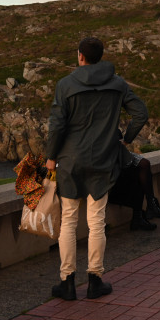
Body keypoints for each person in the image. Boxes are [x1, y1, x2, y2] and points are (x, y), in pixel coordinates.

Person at [45, 37, 148, 301]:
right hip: (103, 161)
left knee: (68, 220)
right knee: (96, 221)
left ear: (80, 56)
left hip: (69, 162)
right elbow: (141, 113)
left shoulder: (65, 85)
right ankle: (95, 280)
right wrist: (125, 138)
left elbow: (57, 126)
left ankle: (67, 282)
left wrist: (50, 157)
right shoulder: (117, 84)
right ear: (100, 57)